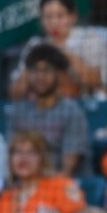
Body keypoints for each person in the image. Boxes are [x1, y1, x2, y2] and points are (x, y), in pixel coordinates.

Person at [9, 0, 107, 99]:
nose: (54, 22)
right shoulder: (35, 44)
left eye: (60, 16)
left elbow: (96, 82)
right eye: (48, 17)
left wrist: (63, 52)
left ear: (73, 16)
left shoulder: (89, 38)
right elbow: (15, 94)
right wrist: (34, 62)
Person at [7, 44, 91, 177]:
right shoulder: (18, 112)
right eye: (35, 70)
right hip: (24, 184)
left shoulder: (71, 112)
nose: (40, 76)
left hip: (58, 187)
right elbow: (11, 159)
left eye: (46, 70)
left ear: (59, 74)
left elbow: (67, 169)